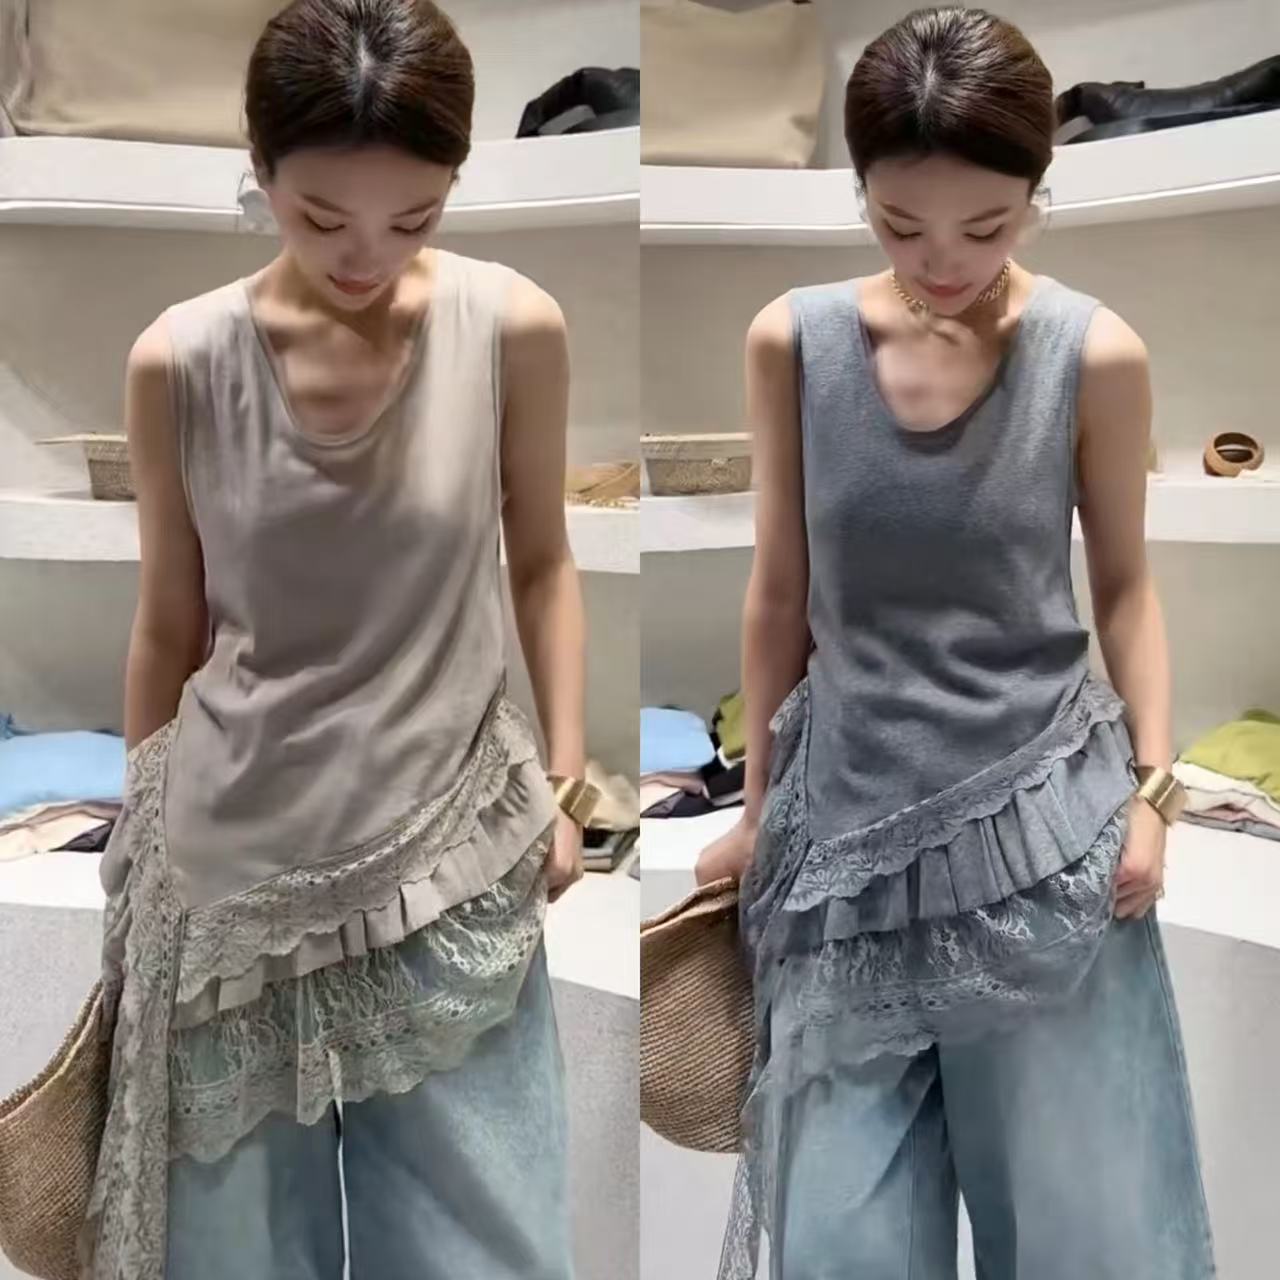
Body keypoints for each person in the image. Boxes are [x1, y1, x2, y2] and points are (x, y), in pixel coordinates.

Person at [695, 7, 1216, 1278]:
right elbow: (779, 593)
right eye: (898, 224)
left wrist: (1151, 795)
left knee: (1080, 1226)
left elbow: (1125, 587)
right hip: (844, 837)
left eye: (985, 228)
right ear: (859, 191)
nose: (941, 262)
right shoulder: (794, 339)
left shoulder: (1090, 351)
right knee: (841, 1238)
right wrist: (758, 808)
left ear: (1037, 191)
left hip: (1042, 832)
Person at [82, 2, 596, 1277]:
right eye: (321, 218)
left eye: (413, 217)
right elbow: (168, 619)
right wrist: (137, 841)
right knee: (238, 1256)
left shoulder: (511, 325)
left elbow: (542, 560)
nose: (367, 255)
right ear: (258, 170)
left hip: (449, 849)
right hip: (233, 876)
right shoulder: (179, 358)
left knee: (483, 1247)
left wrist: (565, 776)